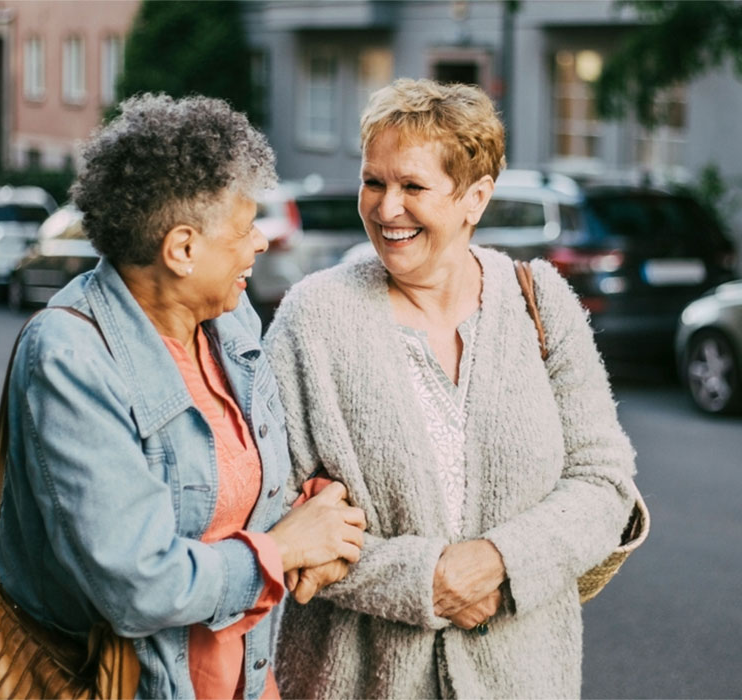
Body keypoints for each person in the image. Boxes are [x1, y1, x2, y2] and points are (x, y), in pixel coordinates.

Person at [265, 78, 638, 698]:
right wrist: (426, 580)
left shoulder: (540, 301)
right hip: (356, 680)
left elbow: (605, 483)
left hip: (524, 678)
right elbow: (279, 514)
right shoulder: (313, 318)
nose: (386, 209)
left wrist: (496, 563)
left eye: (412, 186)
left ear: (475, 197)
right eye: (374, 182)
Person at [0, 93, 366, 700]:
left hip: (247, 679)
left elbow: (252, 474)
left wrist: (316, 513)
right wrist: (284, 547)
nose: (260, 243)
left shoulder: (230, 316)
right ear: (183, 249)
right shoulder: (70, 357)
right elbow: (138, 586)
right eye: (245, 229)